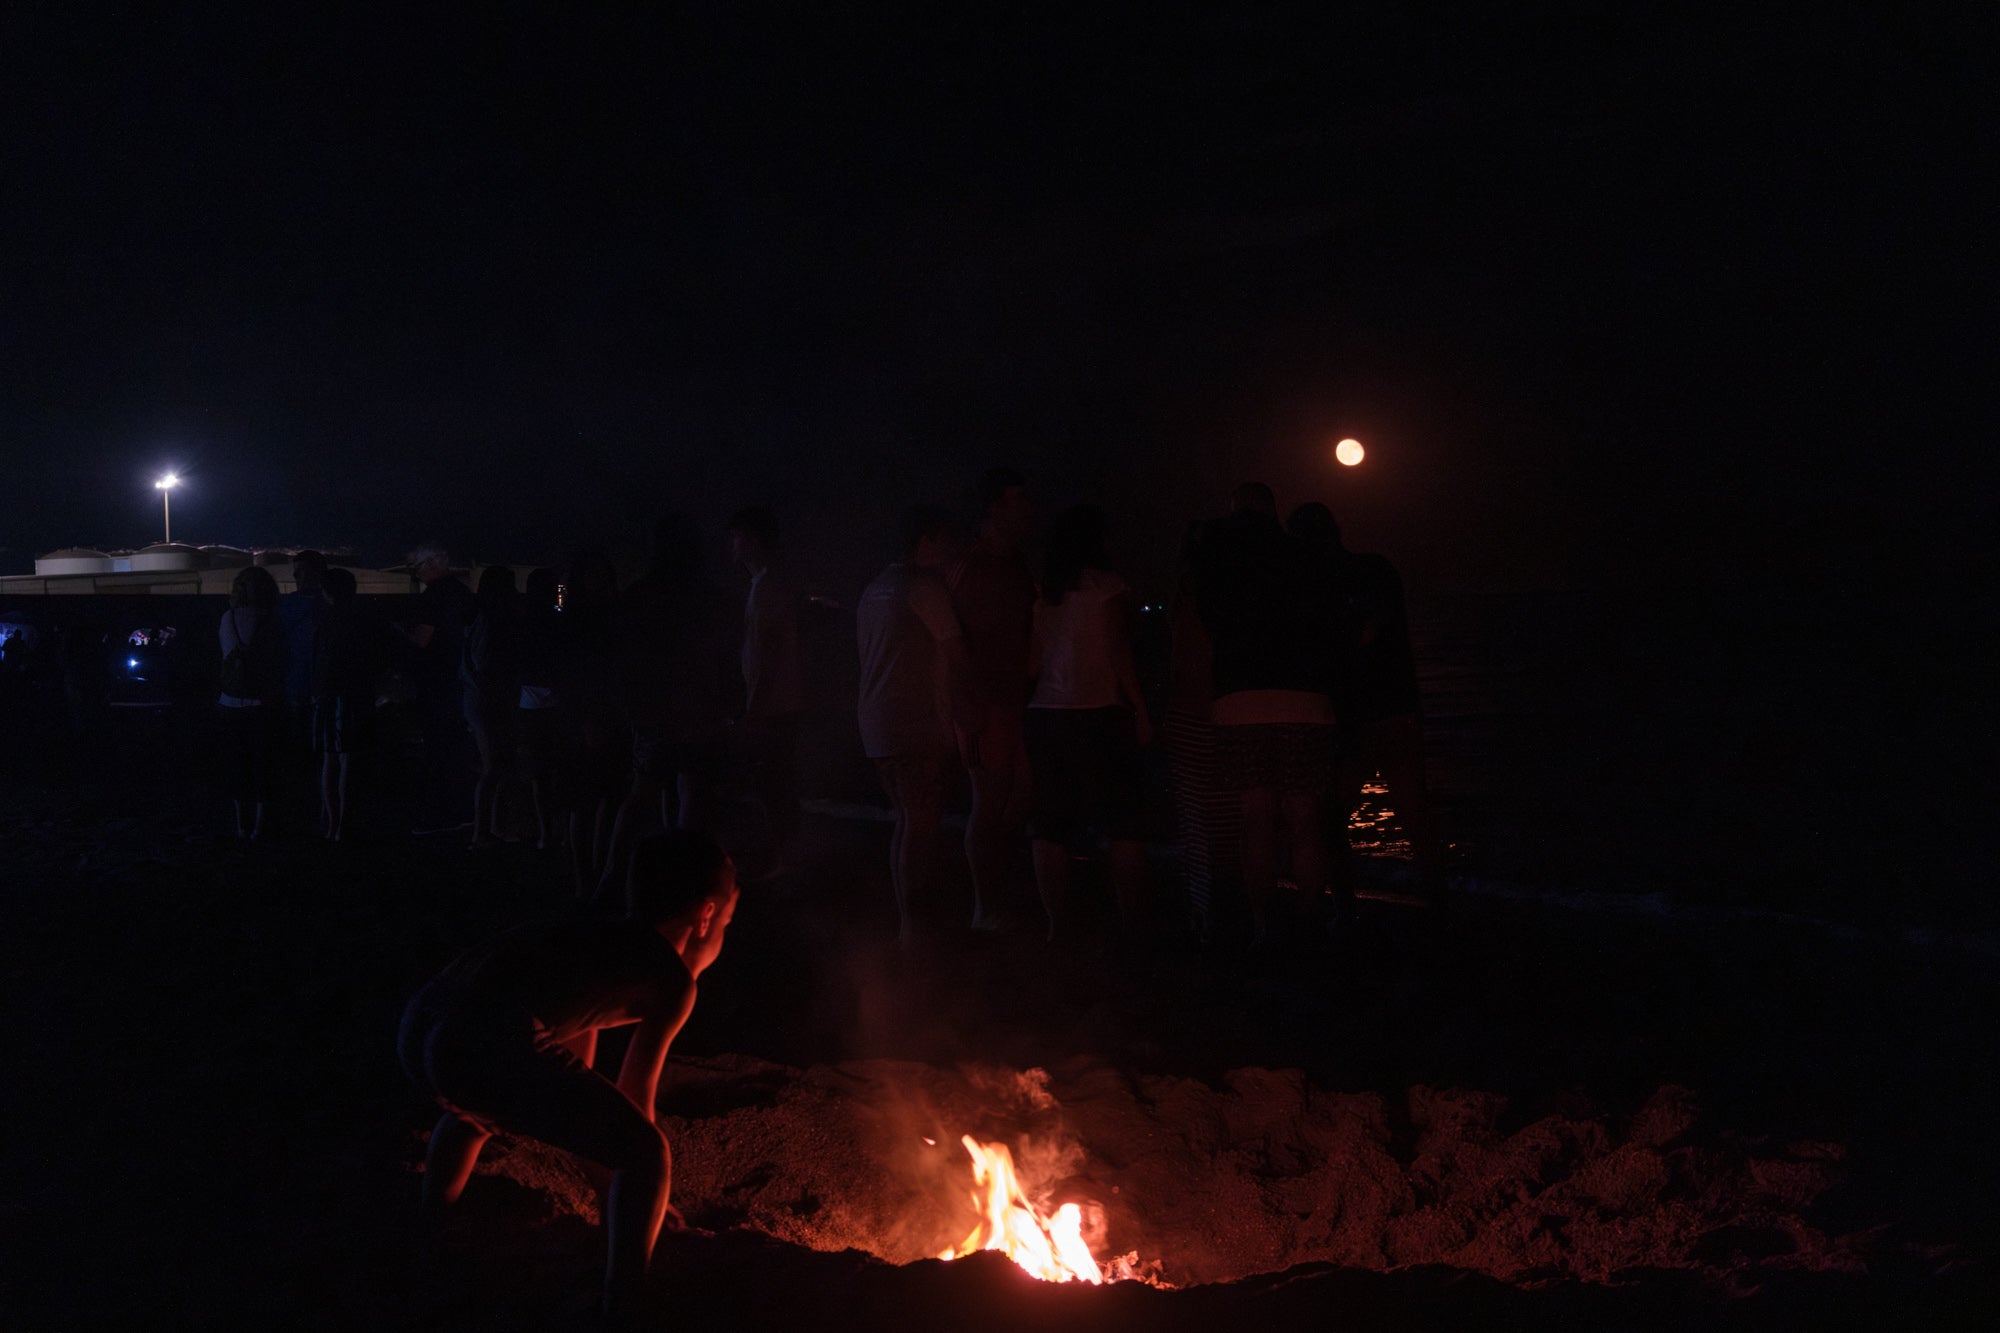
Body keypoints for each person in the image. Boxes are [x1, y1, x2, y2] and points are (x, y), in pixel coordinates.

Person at [398, 829, 739, 1318]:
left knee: (485, 1104)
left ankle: (428, 1234)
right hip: (478, 1036)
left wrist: (621, 1205)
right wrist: (646, 1192)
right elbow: (634, 1099)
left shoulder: (593, 937)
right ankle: (623, 1305)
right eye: (727, 920)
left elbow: (584, 1105)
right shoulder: (671, 978)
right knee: (648, 1153)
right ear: (706, 915)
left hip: (421, 1023)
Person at [1192, 483, 1342, 947]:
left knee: (1255, 815)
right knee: (1303, 815)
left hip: (1240, 701)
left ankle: (1262, 922)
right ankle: (1311, 915)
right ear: (1273, 511)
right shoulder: (1305, 556)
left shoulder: (1214, 560)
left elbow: (1205, 625)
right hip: (1304, 698)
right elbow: (1328, 623)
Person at [1288, 502, 1434, 893]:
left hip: (1348, 712)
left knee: (1336, 811)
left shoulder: (1312, 586)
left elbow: (1345, 642)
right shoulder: (1378, 569)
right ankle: (1434, 890)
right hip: (1396, 704)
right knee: (1412, 806)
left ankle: (1346, 896)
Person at [1023, 506, 1152, 940]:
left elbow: (1033, 662)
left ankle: (1058, 925)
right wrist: (1140, 708)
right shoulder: (1108, 588)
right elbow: (1119, 652)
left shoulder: (1043, 593)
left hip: (1047, 714)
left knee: (1049, 823)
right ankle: (1133, 922)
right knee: (1123, 821)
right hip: (1101, 712)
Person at [600, 516, 734, 898]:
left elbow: (623, 658)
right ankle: (682, 882)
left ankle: (613, 874)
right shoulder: (710, 598)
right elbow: (725, 656)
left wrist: (631, 706)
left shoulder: (641, 596)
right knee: (691, 790)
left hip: (655, 711)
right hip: (698, 710)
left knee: (644, 791)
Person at [857, 506, 972, 950]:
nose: (950, 551)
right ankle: (914, 927)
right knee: (921, 822)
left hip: (876, 721)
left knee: (908, 821)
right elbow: (957, 654)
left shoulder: (875, 588)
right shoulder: (923, 587)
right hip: (914, 723)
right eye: (944, 541)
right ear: (926, 541)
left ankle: (909, 919)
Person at [947, 468, 1037, 929]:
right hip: (982, 703)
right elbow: (945, 638)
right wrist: (963, 703)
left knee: (1018, 794)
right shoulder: (968, 565)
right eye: (1017, 500)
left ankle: (996, 889)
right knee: (990, 797)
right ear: (993, 507)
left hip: (1014, 700)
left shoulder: (1017, 565)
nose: (1027, 509)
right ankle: (984, 908)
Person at [1164, 520, 1240, 943]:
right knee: (1228, 818)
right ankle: (1224, 911)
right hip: (1218, 712)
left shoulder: (1184, 593)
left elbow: (1179, 661)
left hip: (1189, 714)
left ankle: (1206, 914)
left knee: (1199, 820)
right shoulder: (1223, 593)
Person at [726, 506, 807, 879]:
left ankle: (787, 863)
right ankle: (785, 860)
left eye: (738, 536)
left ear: (754, 540)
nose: (733, 544)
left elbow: (770, 653)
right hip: (773, 706)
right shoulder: (764, 584)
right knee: (773, 787)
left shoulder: (770, 586)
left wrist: (754, 710)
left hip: (774, 708)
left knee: (776, 788)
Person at [399, 544, 476, 832]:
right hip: (462, 680)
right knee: (458, 749)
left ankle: (442, 812)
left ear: (431, 564)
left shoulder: (432, 597)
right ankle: (465, 808)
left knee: (438, 750)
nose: (416, 573)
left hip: (437, 683)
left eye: (416, 567)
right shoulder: (463, 593)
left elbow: (421, 640)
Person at [311, 566, 382, 841]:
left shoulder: (325, 621)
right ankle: (343, 823)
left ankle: (332, 822)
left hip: (330, 697)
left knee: (330, 761)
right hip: (355, 696)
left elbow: (319, 662)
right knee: (348, 762)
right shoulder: (362, 620)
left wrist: (318, 693)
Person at [218, 565, 288, 839]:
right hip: (262, 703)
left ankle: (239, 824)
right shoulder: (272, 620)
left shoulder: (228, 618)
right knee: (263, 766)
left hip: (230, 701)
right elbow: (281, 662)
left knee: (237, 766)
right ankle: (259, 826)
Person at [463, 566, 524, 847]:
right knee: (494, 767)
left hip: (481, 700)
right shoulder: (491, 620)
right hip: (491, 700)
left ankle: (490, 828)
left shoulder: (480, 616)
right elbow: (486, 665)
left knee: (495, 766)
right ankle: (485, 830)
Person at [517, 568, 563, 850]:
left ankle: (547, 832)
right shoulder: (559, 618)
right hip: (556, 695)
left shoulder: (524, 619)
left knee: (540, 770)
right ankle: (559, 830)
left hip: (531, 698)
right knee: (556, 767)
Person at [280, 549, 329, 759]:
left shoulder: (288, 606)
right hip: (312, 685)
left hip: (300, 684)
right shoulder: (329, 605)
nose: (296, 576)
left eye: (300, 571)